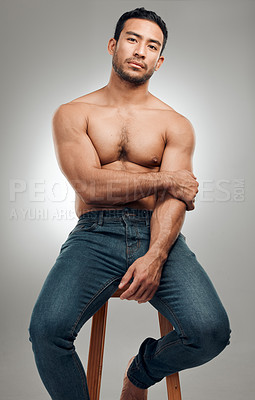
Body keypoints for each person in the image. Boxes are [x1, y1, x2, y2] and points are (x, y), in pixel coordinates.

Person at [28, 7, 231, 400]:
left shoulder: (175, 123)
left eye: (152, 45)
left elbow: (174, 199)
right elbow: (89, 184)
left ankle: (139, 373)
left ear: (160, 59)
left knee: (210, 332)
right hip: (93, 235)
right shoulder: (74, 113)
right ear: (113, 45)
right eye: (133, 39)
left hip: (156, 231)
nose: (141, 50)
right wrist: (166, 177)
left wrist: (156, 254)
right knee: (46, 331)